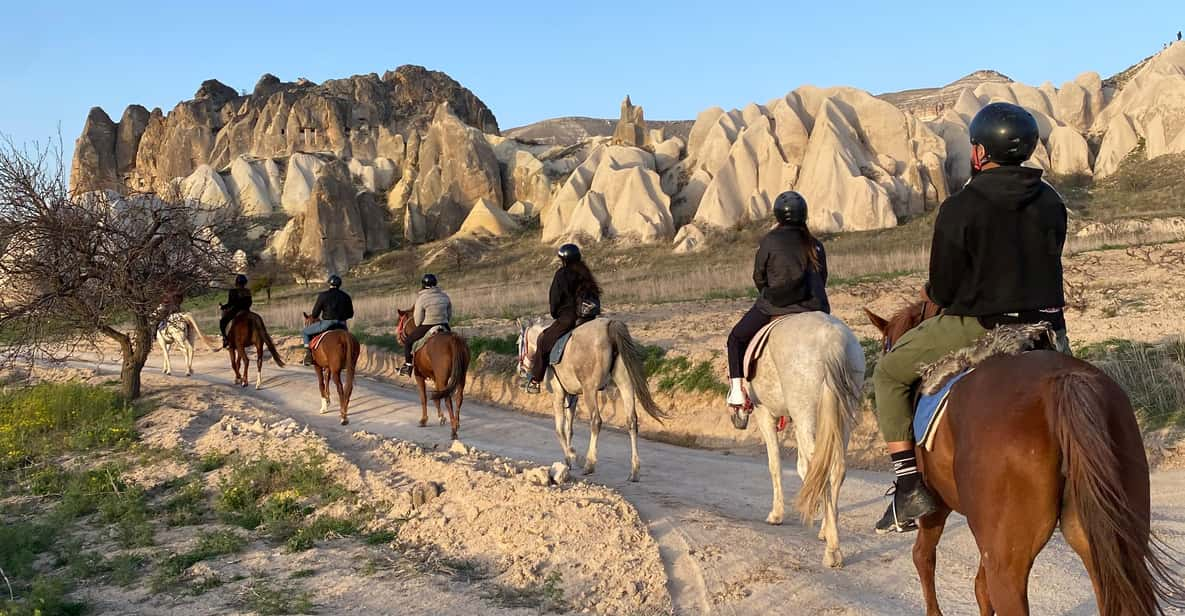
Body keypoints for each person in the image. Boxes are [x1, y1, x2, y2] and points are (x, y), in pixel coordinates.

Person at [872, 102, 1070, 534]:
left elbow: (943, 291)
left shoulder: (961, 206)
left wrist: (935, 294)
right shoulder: (1053, 201)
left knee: (887, 373)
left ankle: (908, 486)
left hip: (980, 325)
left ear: (980, 153)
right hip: (1046, 329)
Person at [725, 191, 829, 429]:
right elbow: (822, 278)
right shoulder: (816, 244)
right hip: (816, 307)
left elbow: (758, 277)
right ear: (804, 215)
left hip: (777, 305)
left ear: (778, 215)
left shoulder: (770, 241)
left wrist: (769, 293)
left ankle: (737, 394)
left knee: (735, 339)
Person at [523, 243, 601, 394]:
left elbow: (555, 299)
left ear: (563, 260)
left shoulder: (562, 274)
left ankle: (535, 379)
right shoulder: (585, 273)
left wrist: (556, 314)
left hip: (569, 318)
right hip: (589, 318)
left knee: (544, 341)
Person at [398, 274, 453, 376]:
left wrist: (421, 323)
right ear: (436, 283)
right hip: (444, 325)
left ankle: (408, 366)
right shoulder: (445, 296)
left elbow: (418, 321)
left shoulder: (422, 298)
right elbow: (449, 315)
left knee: (408, 341)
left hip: (427, 325)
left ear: (423, 285)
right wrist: (443, 321)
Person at [301, 274, 355, 366]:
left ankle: (308, 355)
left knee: (305, 332)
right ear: (339, 285)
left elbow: (314, 314)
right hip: (342, 324)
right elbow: (351, 314)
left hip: (327, 324)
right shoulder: (346, 296)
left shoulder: (323, 295)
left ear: (329, 283)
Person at [219, 274, 253, 348]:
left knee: (222, 322)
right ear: (245, 283)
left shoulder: (233, 291)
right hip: (247, 310)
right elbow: (250, 302)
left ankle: (225, 338)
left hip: (236, 311)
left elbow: (231, 303)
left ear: (236, 282)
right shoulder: (248, 291)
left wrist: (223, 307)